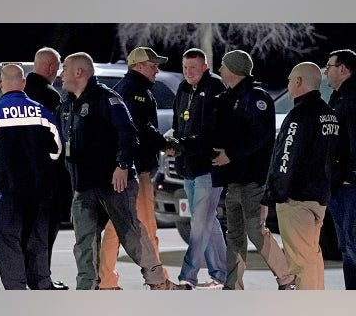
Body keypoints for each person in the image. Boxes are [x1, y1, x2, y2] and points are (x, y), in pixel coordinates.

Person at [56, 52, 184, 290]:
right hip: (83, 186)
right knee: (84, 243)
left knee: (132, 235)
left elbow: (129, 133)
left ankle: (156, 280)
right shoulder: (66, 106)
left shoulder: (107, 98)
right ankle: (87, 288)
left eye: (65, 68)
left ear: (79, 72)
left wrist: (123, 165)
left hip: (113, 184)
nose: (61, 74)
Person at [0, 63, 62, 289]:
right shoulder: (42, 113)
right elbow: (56, 150)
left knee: (9, 246)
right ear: (24, 84)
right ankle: (41, 288)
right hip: (39, 195)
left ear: (1, 84)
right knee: (37, 245)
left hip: (7, 195)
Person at [211, 49, 296, 290]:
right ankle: (232, 286)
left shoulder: (256, 98)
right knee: (234, 236)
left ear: (235, 69)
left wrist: (231, 154)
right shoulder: (228, 98)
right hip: (234, 180)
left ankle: (287, 279)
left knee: (256, 231)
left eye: (223, 66)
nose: (220, 71)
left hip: (253, 181)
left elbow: (261, 137)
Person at [98, 46, 173, 289]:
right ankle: (159, 281)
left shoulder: (123, 89)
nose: (156, 70)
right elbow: (140, 127)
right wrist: (165, 144)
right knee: (146, 227)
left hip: (124, 170)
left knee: (116, 225)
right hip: (137, 169)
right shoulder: (136, 92)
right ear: (138, 66)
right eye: (152, 65)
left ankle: (105, 280)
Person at [261, 62, 338, 290]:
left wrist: (276, 193)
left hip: (297, 199)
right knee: (312, 259)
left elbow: (286, 157)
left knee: (300, 264)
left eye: (289, 80)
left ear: (298, 82)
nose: (287, 84)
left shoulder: (298, 116)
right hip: (320, 198)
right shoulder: (328, 114)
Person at [169, 48, 227, 290]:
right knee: (207, 221)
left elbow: (212, 131)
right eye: (184, 68)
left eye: (193, 67)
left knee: (200, 223)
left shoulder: (215, 89)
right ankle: (221, 274)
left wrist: (182, 144)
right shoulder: (183, 89)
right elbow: (176, 123)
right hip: (188, 167)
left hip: (208, 167)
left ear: (204, 67)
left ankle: (187, 276)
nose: (188, 72)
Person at [23, 47, 71, 290]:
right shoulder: (50, 96)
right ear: (52, 68)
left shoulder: (20, 92)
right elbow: (59, 138)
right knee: (44, 231)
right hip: (46, 175)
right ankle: (42, 279)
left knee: (25, 232)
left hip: (20, 177)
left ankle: (27, 277)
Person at [325, 49, 356, 290]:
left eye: (329, 66)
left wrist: (347, 176)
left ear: (343, 69)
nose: (326, 70)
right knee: (346, 247)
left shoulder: (353, 97)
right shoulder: (338, 96)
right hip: (339, 185)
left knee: (353, 246)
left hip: (350, 186)